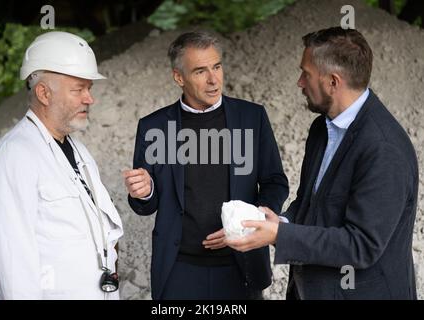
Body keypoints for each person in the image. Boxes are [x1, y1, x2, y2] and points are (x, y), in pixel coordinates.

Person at [226, 27, 419, 300]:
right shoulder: (322, 128)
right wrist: (281, 220)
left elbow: (361, 245)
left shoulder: (384, 149)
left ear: (333, 81)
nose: (299, 82)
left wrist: (280, 235)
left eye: (306, 73)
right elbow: (310, 202)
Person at [123, 31, 289, 299]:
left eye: (217, 67)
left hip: (241, 264)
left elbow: (275, 182)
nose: (214, 79)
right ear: (179, 77)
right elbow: (146, 204)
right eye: (201, 71)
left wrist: (245, 223)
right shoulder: (153, 127)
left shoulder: (252, 117)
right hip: (179, 270)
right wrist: (144, 192)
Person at [0, 31, 123, 300]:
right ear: (44, 93)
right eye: (79, 89)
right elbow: (15, 273)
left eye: (88, 89)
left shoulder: (78, 152)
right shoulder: (13, 158)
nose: (89, 98)